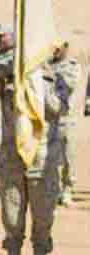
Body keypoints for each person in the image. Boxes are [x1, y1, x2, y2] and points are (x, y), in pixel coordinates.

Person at [0, 59, 60, 255]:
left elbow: (57, 107)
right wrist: (13, 70)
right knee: (11, 212)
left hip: (41, 155)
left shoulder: (52, 77)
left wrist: (35, 82)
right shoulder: (6, 74)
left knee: (43, 214)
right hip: (12, 156)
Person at [50, 41, 82, 206]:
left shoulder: (72, 66)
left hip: (67, 119)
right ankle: (55, 190)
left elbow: (69, 85)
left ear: (65, 48)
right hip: (50, 119)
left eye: (58, 48)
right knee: (52, 158)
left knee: (69, 157)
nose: (54, 50)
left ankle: (67, 189)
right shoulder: (46, 64)